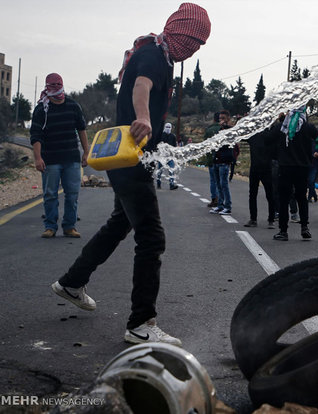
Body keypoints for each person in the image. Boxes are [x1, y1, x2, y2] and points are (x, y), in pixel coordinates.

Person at [51, 3, 211, 346]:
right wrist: (145, 118)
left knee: (119, 223)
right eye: (194, 41)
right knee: (152, 237)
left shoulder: (159, 54)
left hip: (128, 156)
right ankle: (141, 323)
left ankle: (72, 282)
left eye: (200, 44)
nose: (195, 49)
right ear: (180, 31)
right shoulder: (154, 53)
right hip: (131, 156)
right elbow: (141, 86)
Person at [30, 73, 89, 239]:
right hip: (50, 160)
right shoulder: (42, 109)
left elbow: (81, 129)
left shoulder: (73, 105)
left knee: (72, 195)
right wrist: (38, 158)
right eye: (52, 84)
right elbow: (36, 135)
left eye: (58, 84)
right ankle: (50, 227)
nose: (55, 87)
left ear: (62, 84)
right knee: (50, 194)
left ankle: (69, 226)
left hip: (71, 158)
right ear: (46, 86)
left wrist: (86, 151)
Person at [273, 106, 318, 241]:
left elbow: (268, 139)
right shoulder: (308, 128)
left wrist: (279, 121)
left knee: (284, 200)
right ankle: (304, 227)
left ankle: (283, 231)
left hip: (285, 168)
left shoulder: (283, 127)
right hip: (302, 168)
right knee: (301, 198)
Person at [243, 129, 276, 228]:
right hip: (258, 169)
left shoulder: (267, 136)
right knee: (257, 195)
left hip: (265, 169)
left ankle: (269, 219)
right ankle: (257, 219)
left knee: (267, 195)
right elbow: (241, 135)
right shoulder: (255, 136)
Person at [210, 110, 234, 215]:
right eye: (220, 118)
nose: (221, 121)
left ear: (228, 119)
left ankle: (227, 206)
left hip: (224, 161)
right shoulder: (220, 130)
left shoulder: (230, 130)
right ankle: (220, 205)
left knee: (224, 185)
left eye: (223, 118)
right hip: (217, 160)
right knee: (218, 184)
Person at [203, 111, 221, 207]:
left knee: (213, 180)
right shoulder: (223, 129)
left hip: (211, 158)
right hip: (222, 158)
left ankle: (214, 199)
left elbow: (205, 145)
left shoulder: (209, 130)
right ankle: (221, 200)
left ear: (214, 119)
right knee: (221, 181)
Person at [155, 122, 179, 190]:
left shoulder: (173, 136)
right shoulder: (161, 135)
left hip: (169, 156)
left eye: (169, 127)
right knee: (160, 171)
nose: (168, 128)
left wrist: (174, 154)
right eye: (167, 127)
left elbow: (174, 146)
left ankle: (171, 184)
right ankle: (158, 183)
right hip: (161, 156)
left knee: (171, 170)